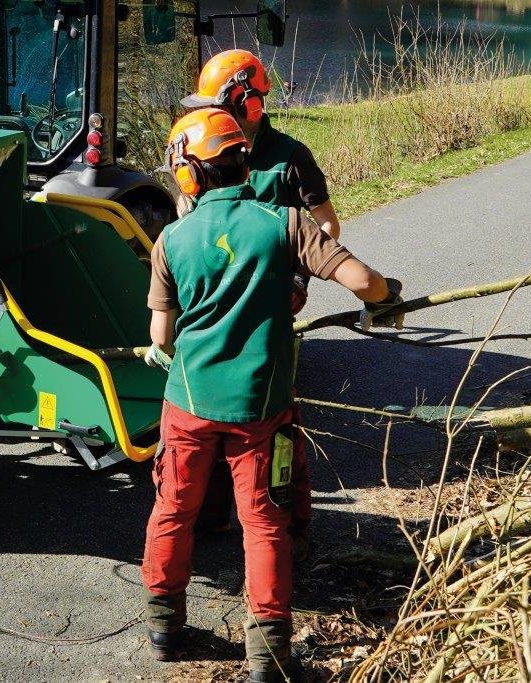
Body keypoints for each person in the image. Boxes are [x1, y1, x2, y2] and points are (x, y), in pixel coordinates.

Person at [140, 108, 401, 677]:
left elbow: (161, 337)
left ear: (189, 173)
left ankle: (164, 626)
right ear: (243, 162)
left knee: (174, 509)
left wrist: (167, 344)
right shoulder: (285, 223)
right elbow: (363, 281)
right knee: (263, 521)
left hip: (188, 403)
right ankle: (267, 654)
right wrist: (386, 299)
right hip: (262, 407)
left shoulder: (171, 239)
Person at [180, 49, 337, 547]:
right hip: (211, 307)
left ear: (246, 102)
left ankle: (289, 526)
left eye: (215, 106)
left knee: (274, 423)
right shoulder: (201, 146)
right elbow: (187, 217)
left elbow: (326, 225)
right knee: (206, 415)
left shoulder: (290, 158)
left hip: (268, 310)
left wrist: (300, 281)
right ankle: (211, 518)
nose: (208, 116)